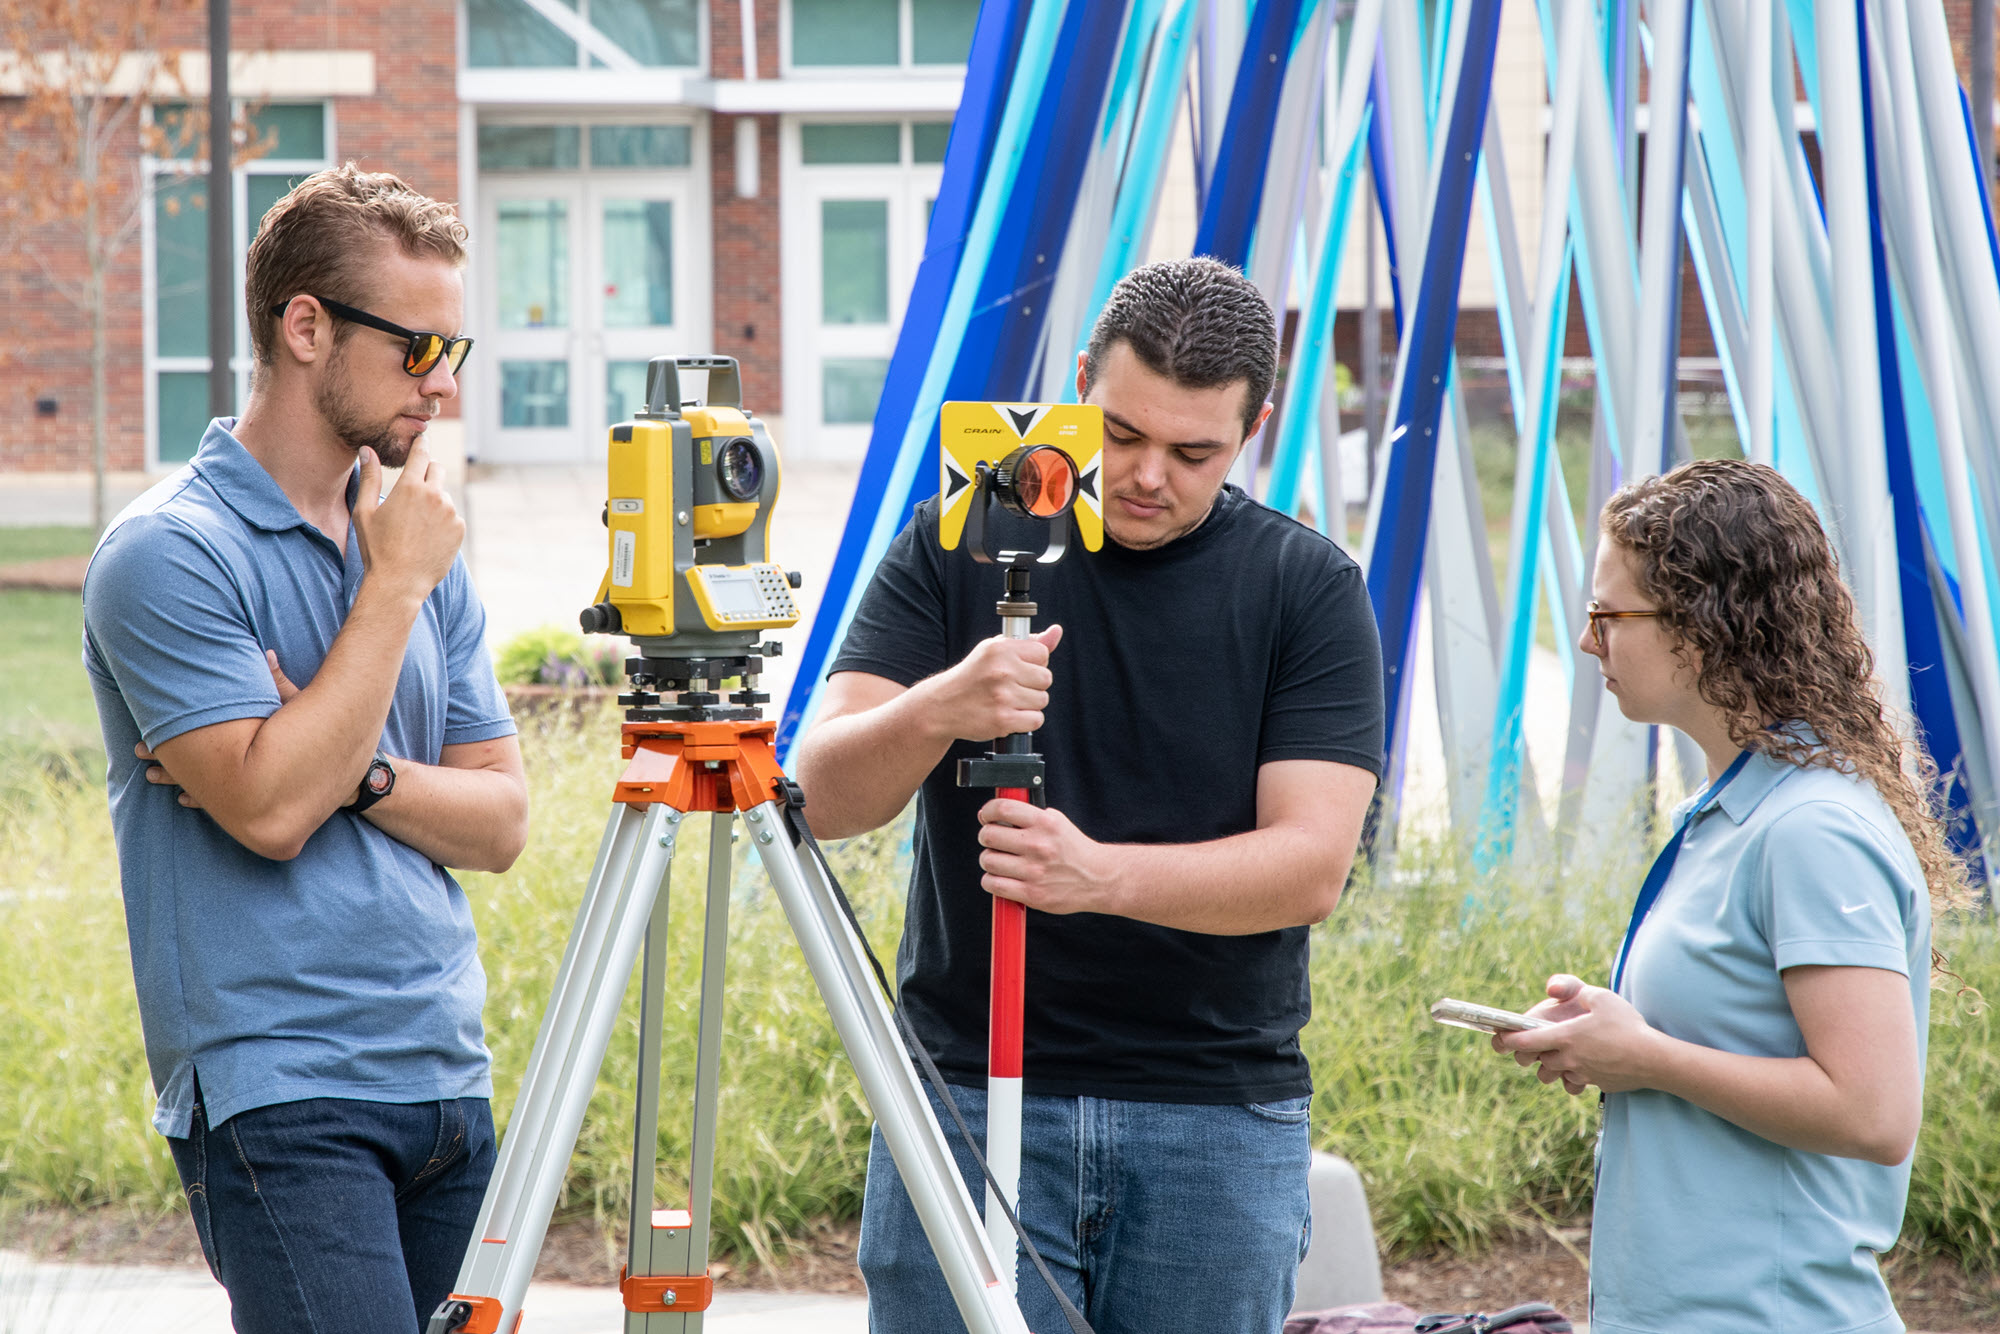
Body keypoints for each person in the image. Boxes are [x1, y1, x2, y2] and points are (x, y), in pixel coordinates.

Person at [793, 257, 1384, 1334]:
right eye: (1119, 432)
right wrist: (939, 705)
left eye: (1192, 450)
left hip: (1215, 1110)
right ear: (1077, 382)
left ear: (1256, 423)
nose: (1145, 473)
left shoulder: (1305, 588)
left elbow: (1308, 868)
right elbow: (821, 796)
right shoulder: (954, 540)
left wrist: (1094, 876)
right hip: (969, 1097)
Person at [82, 164, 528, 1334]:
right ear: (304, 326)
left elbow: (501, 822)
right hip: (280, 1090)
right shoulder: (169, 553)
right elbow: (272, 809)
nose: (439, 386)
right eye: (414, 349)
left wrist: (355, 769)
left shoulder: (417, 541)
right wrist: (388, 593)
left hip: (446, 1075)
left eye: (453, 351)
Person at [1494, 460, 1960, 1333]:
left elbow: (1874, 1113)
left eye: (1607, 615)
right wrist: (1610, 1033)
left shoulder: (1810, 829)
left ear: (1702, 628)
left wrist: (1647, 1059)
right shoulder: (1736, 813)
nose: (1589, 641)